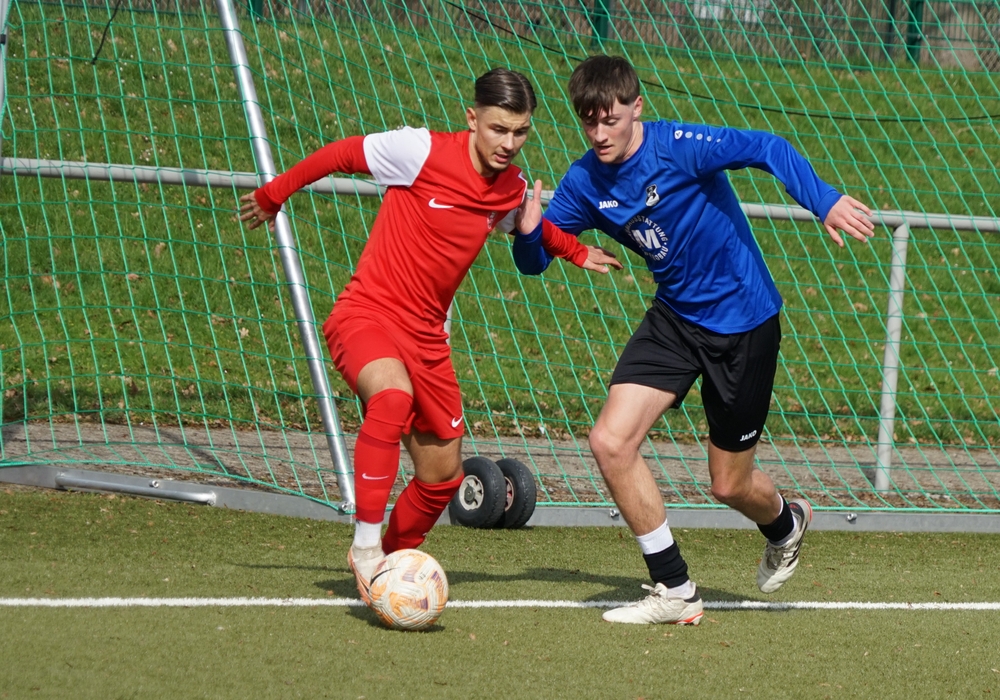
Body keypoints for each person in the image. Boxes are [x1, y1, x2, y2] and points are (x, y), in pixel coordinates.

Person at [513, 55, 874, 625]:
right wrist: (529, 232)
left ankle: (786, 523)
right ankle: (676, 589)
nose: (600, 134)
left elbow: (768, 147)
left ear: (637, 108)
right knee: (610, 441)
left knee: (728, 485)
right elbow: (534, 262)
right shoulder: (584, 182)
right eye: (589, 122)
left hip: (744, 325)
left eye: (611, 119)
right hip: (675, 320)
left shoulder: (680, 147)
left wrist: (822, 198)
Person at [238, 68, 618, 605]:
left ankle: (388, 572)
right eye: (498, 129)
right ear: (472, 119)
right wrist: (274, 194)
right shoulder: (419, 151)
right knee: (391, 399)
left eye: (521, 132)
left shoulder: (508, 187)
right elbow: (340, 155)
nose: (509, 143)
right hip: (367, 315)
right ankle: (365, 548)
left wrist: (577, 252)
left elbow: (525, 221)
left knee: (441, 477)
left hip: (428, 340)